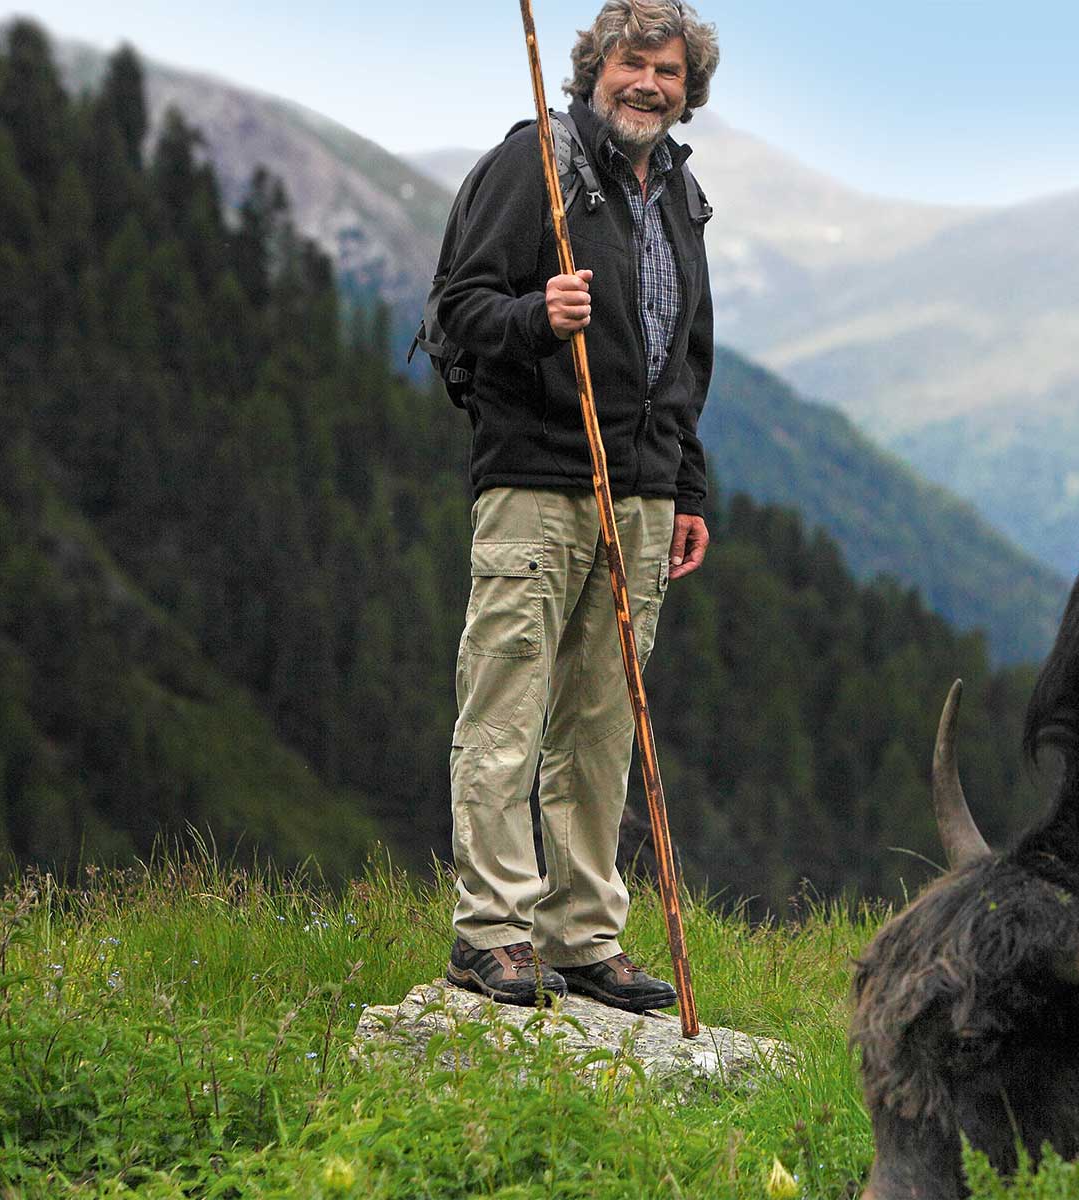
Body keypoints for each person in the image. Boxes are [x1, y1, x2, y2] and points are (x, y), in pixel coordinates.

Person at [426, 0, 719, 1011]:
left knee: (603, 722)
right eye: (635, 63)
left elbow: (686, 360)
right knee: (506, 705)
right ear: (597, 66)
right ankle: (492, 935)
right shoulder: (535, 165)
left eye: (670, 72)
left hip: (639, 492)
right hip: (537, 480)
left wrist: (688, 486)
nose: (650, 84)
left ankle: (584, 937)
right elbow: (456, 312)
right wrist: (535, 319)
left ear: (690, 92)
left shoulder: (681, 193)